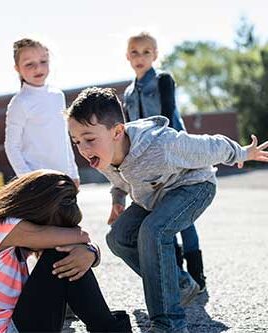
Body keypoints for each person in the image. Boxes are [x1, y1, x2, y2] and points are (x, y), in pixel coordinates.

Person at [65, 87, 268, 333]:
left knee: (153, 231)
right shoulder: (101, 153)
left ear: (117, 131)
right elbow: (119, 181)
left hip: (194, 187)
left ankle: (169, 323)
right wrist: (117, 200)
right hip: (153, 197)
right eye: (76, 141)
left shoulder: (160, 144)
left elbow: (209, 146)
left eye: (89, 139)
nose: (83, 149)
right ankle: (180, 285)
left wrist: (243, 152)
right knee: (117, 237)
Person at [0, 169, 132, 333]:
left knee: (66, 254)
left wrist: (91, 253)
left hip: (7, 326)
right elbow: (81, 236)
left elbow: (81, 241)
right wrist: (89, 251)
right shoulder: (6, 227)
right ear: (38, 212)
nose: (53, 236)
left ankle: (108, 328)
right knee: (61, 254)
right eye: (54, 228)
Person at [124, 31, 206, 292]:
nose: (140, 57)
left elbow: (169, 117)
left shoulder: (163, 81)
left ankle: (197, 275)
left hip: (174, 156)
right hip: (147, 165)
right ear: (127, 56)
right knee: (161, 217)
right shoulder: (127, 93)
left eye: (146, 52)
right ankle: (179, 276)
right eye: (135, 52)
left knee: (184, 218)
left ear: (155, 55)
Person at [4, 38, 79, 187]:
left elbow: (64, 137)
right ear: (17, 68)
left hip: (64, 178)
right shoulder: (19, 103)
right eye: (29, 64)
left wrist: (74, 173)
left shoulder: (58, 96)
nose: (38, 68)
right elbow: (11, 146)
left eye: (43, 62)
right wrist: (29, 179)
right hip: (39, 183)